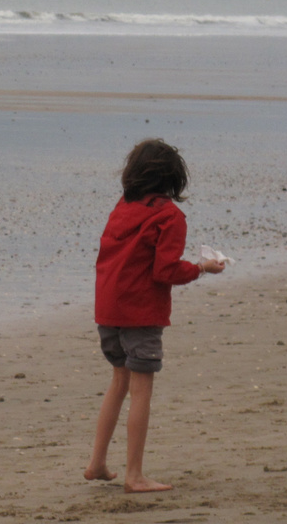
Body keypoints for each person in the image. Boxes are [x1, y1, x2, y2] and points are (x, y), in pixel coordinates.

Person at [85, 139, 225, 493]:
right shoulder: (169, 216)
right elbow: (166, 272)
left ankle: (97, 462)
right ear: (173, 179)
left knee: (119, 382)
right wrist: (203, 268)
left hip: (108, 308)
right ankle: (134, 475)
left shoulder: (123, 206)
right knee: (141, 389)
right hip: (140, 312)